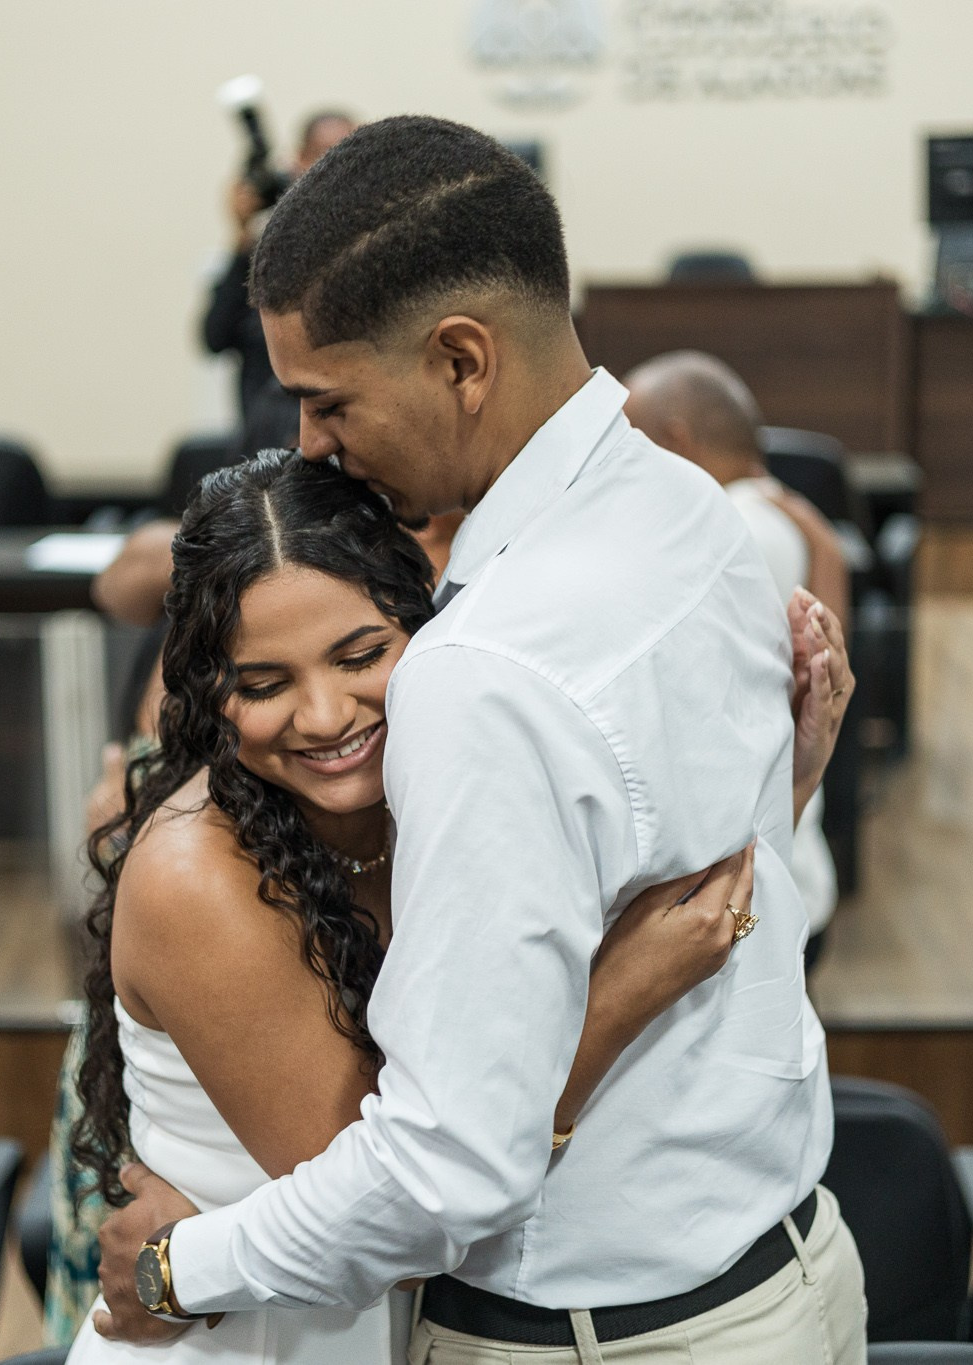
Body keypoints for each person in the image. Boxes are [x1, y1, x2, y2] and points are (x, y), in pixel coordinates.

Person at [96, 116, 865, 1363]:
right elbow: (684, 863)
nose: (309, 447)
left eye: (326, 399)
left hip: (608, 1332)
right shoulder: (695, 511)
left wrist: (185, 1263)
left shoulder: (477, 672)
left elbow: (449, 1167)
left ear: (461, 359)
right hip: (786, 1264)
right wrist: (788, 786)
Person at [66, 451, 761, 1363]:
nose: (323, 715)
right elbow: (399, 1214)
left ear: (426, 628)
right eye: (265, 683)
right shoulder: (196, 874)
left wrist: (785, 785)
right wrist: (618, 998)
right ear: (210, 694)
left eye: (360, 656)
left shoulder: (434, 793)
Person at [623, 349, 848, 966]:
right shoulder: (785, 514)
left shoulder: (729, 530)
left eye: (629, 444)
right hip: (780, 872)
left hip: (752, 897)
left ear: (673, 441)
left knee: (730, 1019)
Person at [203, 110, 359, 443]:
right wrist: (242, 233)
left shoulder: (371, 255)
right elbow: (214, 338)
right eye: (323, 156)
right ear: (297, 162)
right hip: (266, 446)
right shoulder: (265, 257)